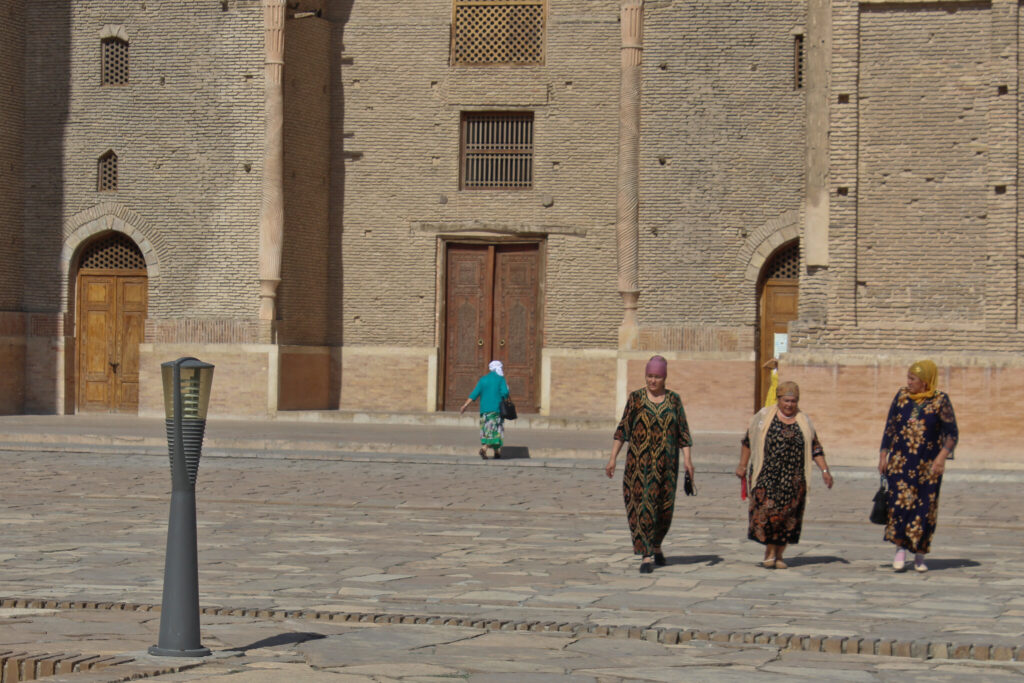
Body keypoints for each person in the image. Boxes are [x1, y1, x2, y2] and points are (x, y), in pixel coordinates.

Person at [605, 355, 694, 574]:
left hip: (667, 467)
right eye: (649, 376)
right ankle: (646, 554)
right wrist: (613, 457)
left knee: (664, 508)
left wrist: (688, 460)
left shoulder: (674, 400)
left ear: (664, 377)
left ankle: (656, 545)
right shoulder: (636, 398)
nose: (652, 381)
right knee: (642, 506)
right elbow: (623, 429)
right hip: (639, 466)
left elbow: (683, 432)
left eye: (657, 377)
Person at [735, 381, 833, 569]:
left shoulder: (804, 421)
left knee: (788, 518)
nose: (789, 405)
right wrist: (742, 465)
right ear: (779, 399)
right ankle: (769, 552)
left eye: (793, 401)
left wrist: (825, 471)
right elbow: (748, 441)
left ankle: (779, 555)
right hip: (767, 477)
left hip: (794, 481)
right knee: (770, 515)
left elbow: (815, 447)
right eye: (786, 400)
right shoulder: (764, 417)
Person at [878, 360, 958, 573]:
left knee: (925, 508)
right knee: (900, 506)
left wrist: (941, 458)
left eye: (913, 379)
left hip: (928, 466)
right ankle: (900, 550)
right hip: (900, 463)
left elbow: (952, 434)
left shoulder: (940, 400)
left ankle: (920, 554)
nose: (909, 382)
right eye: (908, 378)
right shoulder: (902, 397)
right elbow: (890, 427)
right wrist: (883, 455)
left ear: (925, 381)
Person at [459, 360, 511, 460]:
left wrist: (465, 405)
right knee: (495, 431)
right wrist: (506, 391)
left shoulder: (483, 380)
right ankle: (484, 448)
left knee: (487, 431)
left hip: (484, 411)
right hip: (496, 410)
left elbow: (474, 393)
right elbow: (505, 393)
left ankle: (496, 453)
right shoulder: (500, 379)